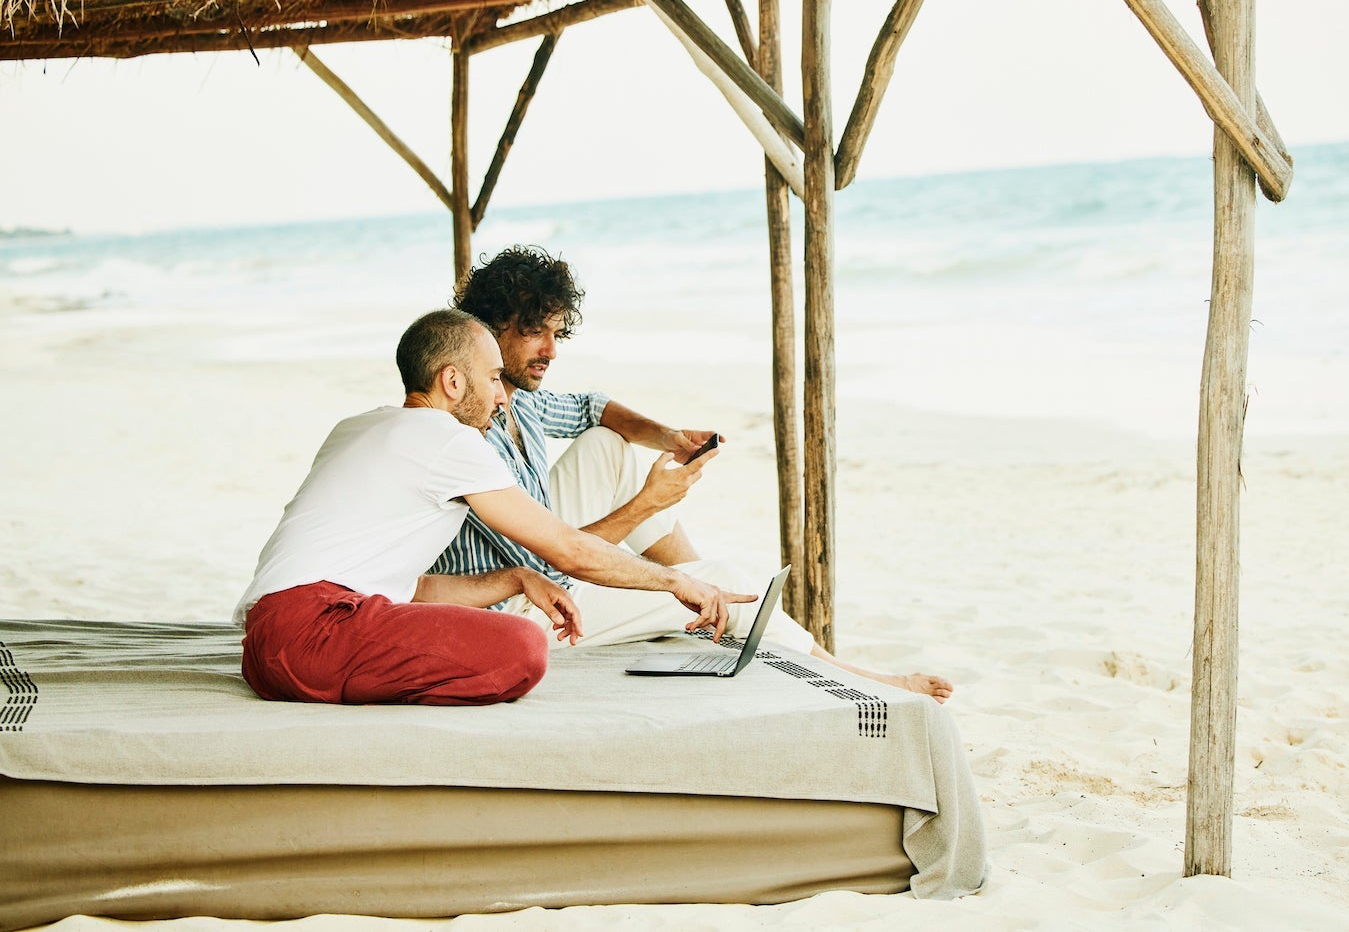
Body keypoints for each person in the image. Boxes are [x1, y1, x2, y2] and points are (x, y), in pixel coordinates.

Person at [432, 245, 954, 702]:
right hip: (517, 606)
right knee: (723, 580)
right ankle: (855, 674)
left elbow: (594, 408)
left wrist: (669, 438)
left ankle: (709, 595)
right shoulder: (468, 425)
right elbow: (555, 562)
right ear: (485, 331)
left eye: (556, 332)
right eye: (532, 333)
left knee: (606, 446)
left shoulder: (516, 401)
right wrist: (648, 506)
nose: (550, 350)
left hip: (540, 567)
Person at [233, 307, 756, 706]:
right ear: (452, 381)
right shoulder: (445, 438)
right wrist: (675, 581)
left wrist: (513, 578)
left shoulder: (359, 427)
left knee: (504, 637)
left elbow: (414, 590)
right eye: (491, 379)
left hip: (269, 645)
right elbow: (570, 548)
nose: (503, 396)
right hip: (317, 632)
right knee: (523, 647)